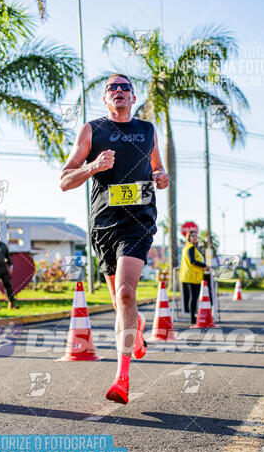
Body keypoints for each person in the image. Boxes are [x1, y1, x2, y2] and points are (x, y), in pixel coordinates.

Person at [60, 73, 169, 404]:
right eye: (112, 88)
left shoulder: (147, 130)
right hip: (104, 224)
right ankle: (136, 335)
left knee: (125, 293)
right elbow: (65, 180)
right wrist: (93, 166)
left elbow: (158, 170)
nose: (119, 91)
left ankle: (122, 378)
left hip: (138, 221)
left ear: (133, 98)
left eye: (125, 88)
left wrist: (161, 178)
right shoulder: (92, 130)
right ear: (105, 99)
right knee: (119, 300)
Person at [179, 230, 209, 327]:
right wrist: (204, 266)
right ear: (189, 238)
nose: (195, 237)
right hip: (192, 276)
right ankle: (193, 320)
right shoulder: (190, 247)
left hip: (191, 276)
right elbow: (192, 261)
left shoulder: (187, 247)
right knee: (194, 298)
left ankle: (194, 319)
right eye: (193, 236)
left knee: (193, 298)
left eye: (196, 236)